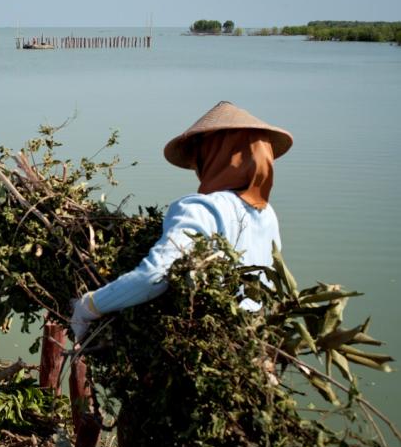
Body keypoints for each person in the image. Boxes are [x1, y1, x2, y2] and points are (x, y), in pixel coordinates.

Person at [70, 101, 293, 340]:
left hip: (203, 347)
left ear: (213, 154)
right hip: (253, 344)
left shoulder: (200, 209)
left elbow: (155, 276)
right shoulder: (266, 214)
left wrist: (88, 306)